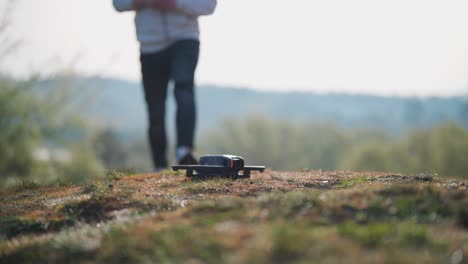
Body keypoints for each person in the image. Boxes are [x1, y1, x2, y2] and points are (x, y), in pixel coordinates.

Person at [112, 0, 217, 170]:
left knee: (184, 90)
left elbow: (208, 5)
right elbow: (118, 3)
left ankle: (184, 153)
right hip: (150, 45)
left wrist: (176, 3)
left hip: (185, 38)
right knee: (155, 106)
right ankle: (159, 164)